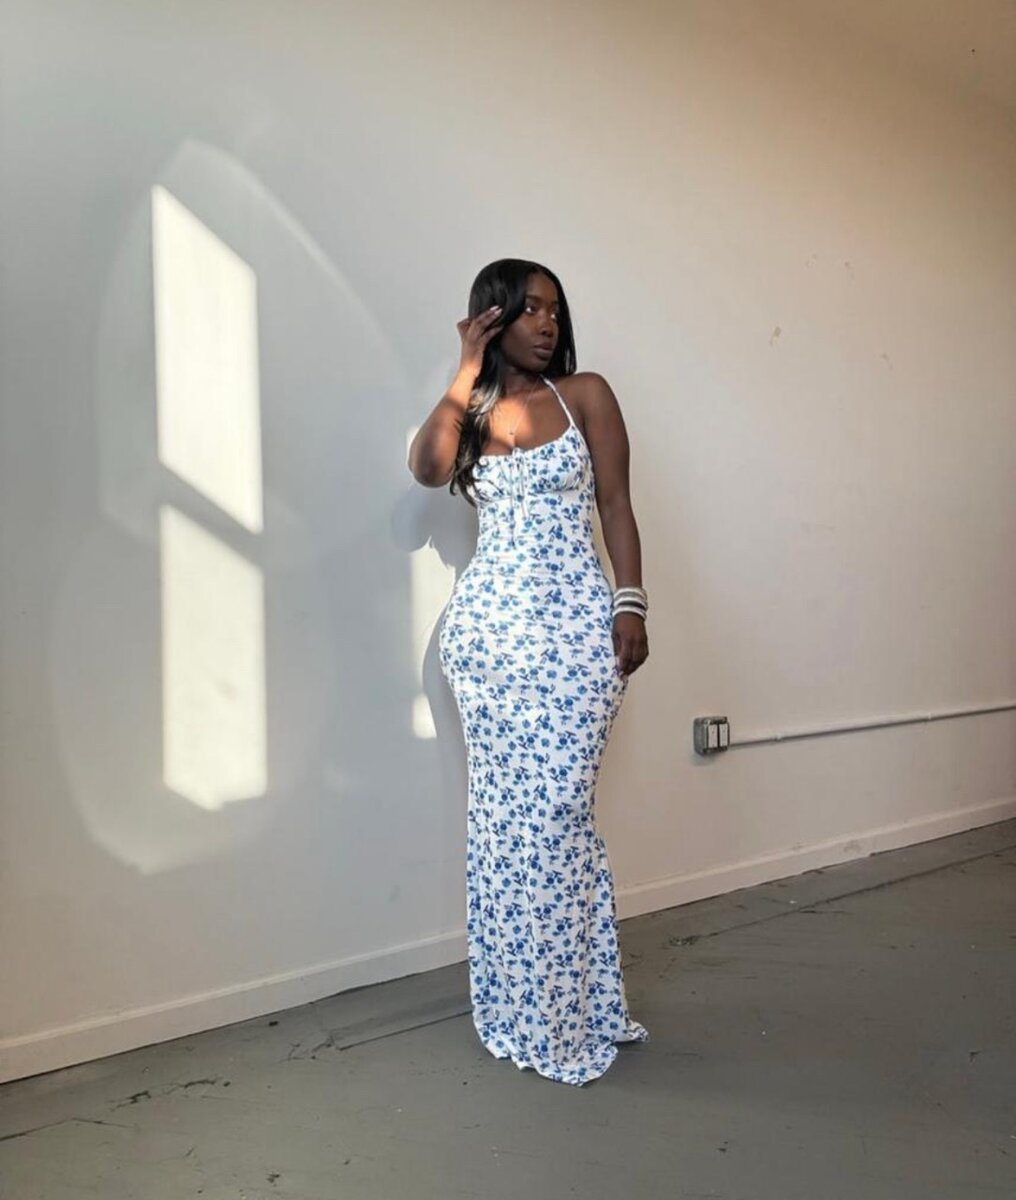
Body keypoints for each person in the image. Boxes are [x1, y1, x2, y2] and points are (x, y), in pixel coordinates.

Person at [407, 257, 649, 1085]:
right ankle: (521, 1006)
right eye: (530, 310)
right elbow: (426, 468)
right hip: (488, 640)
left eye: (555, 310)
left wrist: (630, 603)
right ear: (494, 317)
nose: (548, 324)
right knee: (503, 824)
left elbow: (615, 505)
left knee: (557, 816)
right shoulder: (472, 415)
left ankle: (571, 1009)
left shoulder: (586, 396)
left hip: (576, 629)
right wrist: (465, 367)